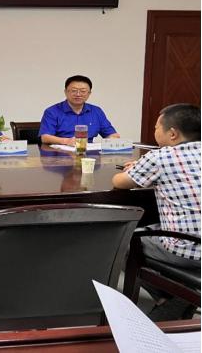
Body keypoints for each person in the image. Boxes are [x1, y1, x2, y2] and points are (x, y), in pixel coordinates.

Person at [112, 104, 200, 320]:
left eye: (156, 128)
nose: (155, 131)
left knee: (121, 240)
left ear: (172, 133)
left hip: (189, 250)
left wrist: (138, 168)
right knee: (151, 227)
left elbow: (119, 182)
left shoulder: (160, 157)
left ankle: (170, 298)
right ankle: (180, 293)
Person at [39, 75, 120, 145]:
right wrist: (67, 141)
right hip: (60, 153)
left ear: (89, 93)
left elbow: (112, 135)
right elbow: (45, 137)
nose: (78, 94)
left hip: (89, 154)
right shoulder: (52, 112)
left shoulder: (96, 111)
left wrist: (111, 140)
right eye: (74, 91)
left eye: (83, 91)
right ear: (66, 92)